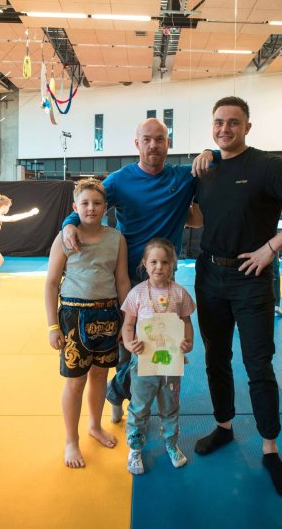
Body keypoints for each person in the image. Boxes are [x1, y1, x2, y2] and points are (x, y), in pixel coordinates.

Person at [187, 96, 282, 496]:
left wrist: (272, 248)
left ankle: (269, 448)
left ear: (247, 127)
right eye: (219, 122)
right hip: (210, 274)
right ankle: (224, 426)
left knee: (258, 363)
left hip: (251, 278)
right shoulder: (207, 168)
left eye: (233, 122)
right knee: (215, 357)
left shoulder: (268, 166)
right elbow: (199, 216)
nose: (225, 128)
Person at [62, 118, 215, 423]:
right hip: (127, 276)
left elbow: (226, 156)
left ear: (168, 143)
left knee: (160, 345)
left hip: (164, 278)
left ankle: (132, 399)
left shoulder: (184, 177)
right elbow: (89, 201)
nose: (153, 145)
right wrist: (69, 224)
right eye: (146, 139)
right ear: (137, 144)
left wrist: (211, 152)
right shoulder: (120, 180)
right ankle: (122, 396)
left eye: (159, 139)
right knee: (128, 345)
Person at [45, 179, 131, 468]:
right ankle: (71, 439)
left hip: (108, 315)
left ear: (106, 207)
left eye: (97, 203)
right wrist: (52, 326)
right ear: (75, 207)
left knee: (99, 376)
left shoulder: (116, 239)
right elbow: (51, 283)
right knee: (75, 382)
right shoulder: (64, 238)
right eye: (85, 203)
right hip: (73, 316)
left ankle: (95, 425)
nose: (91, 208)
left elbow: (122, 281)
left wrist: (126, 321)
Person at [120, 238, 195, 474]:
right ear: (144, 263)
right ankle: (135, 448)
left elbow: (186, 322)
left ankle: (171, 444)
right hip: (143, 363)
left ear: (173, 264)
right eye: (153, 262)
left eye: (165, 262)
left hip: (171, 366)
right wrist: (130, 344)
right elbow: (128, 324)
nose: (159, 267)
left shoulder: (180, 294)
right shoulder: (137, 293)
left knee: (170, 406)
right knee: (139, 407)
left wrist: (188, 342)